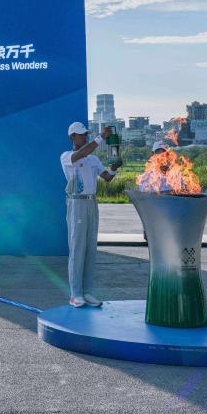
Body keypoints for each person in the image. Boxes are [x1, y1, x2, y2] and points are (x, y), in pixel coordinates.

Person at [60, 122, 120, 308]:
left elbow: (107, 178)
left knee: (90, 249)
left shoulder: (93, 160)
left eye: (85, 134)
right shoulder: (67, 157)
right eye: (80, 135)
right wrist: (101, 137)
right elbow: (81, 154)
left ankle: (87, 292)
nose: (84, 136)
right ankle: (75, 294)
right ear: (72, 137)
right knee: (77, 248)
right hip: (76, 202)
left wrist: (114, 168)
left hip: (91, 203)